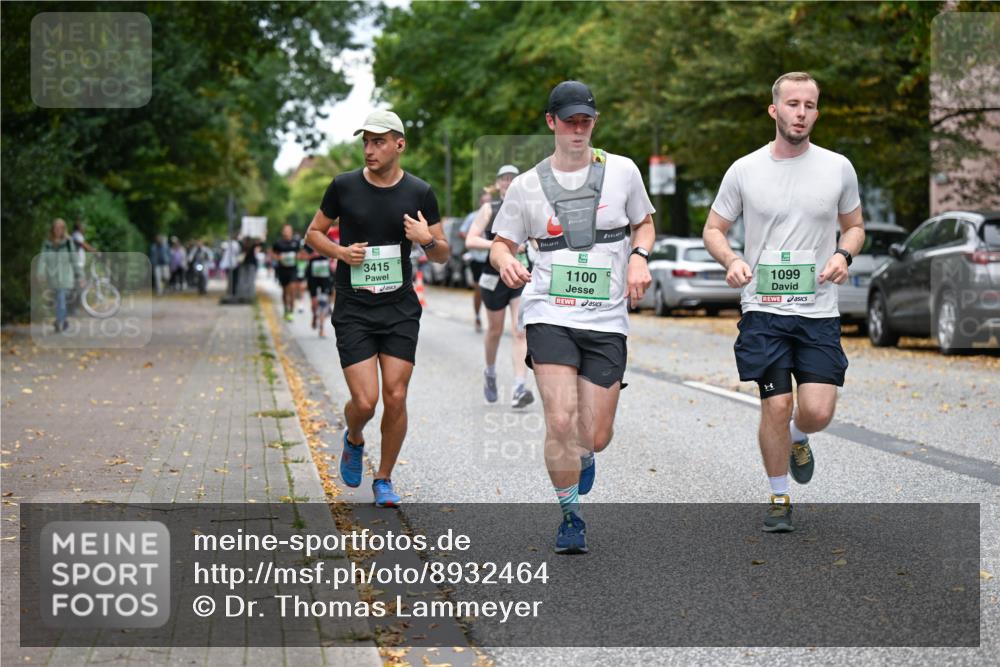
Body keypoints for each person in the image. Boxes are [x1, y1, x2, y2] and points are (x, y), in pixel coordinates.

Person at [490, 81, 655, 554]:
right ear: (551, 123)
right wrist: (505, 261)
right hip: (549, 313)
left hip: (606, 320)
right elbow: (502, 242)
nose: (578, 129)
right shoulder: (525, 185)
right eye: (569, 121)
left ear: (594, 122)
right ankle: (569, 516)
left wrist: (639, 256)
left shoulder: (622, 171)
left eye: (586, 121)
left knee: (594, 436)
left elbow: (644, 221)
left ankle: (583, 455)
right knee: (559, 421)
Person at [702, 72, 865, 533]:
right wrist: (731, 260)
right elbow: (713, 229)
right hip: (764, 308)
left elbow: (854, 226)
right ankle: (778, 495)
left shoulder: (837, 167)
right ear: (774, 110)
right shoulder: (745, 169)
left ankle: (798, 437)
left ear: (817, 111)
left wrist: (842, 252)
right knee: (775, 405)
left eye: (810, 105)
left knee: (816, 412)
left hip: (817, 310)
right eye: (792, 104)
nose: (801, 112)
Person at [304, 110, 449, 508]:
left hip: (399, 306)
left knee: (396, 396)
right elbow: (313, 233)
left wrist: (425, 239)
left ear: (399, 145)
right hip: (354, 306)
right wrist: (339, 251)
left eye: (378, 141)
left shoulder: (420, 192)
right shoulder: (343, 186)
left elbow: (442, 255)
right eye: (365, 141)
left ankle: (383, 477)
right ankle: (354, 438)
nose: (370, 149)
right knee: (365, 402)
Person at [466, 165, 534, 408]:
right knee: (494, 330)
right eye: (503, 179)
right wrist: (498, 246)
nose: (507, 182)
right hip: (493, 275)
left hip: (520, 274)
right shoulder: (489, 209)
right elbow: (470, 239)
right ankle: (490, 372)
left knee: (519, 330)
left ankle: (519, 387)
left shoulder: (527, 207)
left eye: (512, 179)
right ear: (497, 184)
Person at [37, 218, 83, 333]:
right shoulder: (47, 244)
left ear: (64, 229)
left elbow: (74, 259)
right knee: (58, 301)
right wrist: (40, 272)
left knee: (61, 298)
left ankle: (59, 322)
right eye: (56, 227)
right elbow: (42, 259)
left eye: (60, 228)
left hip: (66, 277)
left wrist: (80, 275)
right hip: (53, 278)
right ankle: (64, 320)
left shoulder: (68, 242)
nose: (58, 230)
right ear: (53, 229)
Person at [460, 188, 494, 332]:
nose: (487, 203)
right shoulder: (473, 216)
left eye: (489, 201)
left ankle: (492, 319)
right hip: (476, 258)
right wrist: (474, 238)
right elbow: (462, 232)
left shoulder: (496, 215)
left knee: (490, 288)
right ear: (480, 202)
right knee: (479, 289)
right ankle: (478, 316)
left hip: (491, 258)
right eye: (484, 201)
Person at [270, 224, 301, 321]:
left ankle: (291, 311)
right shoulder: (278, 243)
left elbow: (300, 253)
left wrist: (298, 256)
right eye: (285, 230)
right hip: (282, 269)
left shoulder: (296, 242)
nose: (287, 232)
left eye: (289, 230)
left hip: (293, 269)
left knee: (292, 290)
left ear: (291, 232)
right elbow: (272, 253)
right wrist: (277, 257)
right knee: (284, 291)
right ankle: (285, 309)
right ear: (282, 232)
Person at [304, 243, 335, 336]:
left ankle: (321, 328)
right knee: (314, 302)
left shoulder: (329, 240)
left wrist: (332, 262)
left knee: (323, 302)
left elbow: (335, 254)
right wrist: (312, 255)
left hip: (325, 275)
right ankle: (314, 315)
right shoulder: (310, 240)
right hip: (312, 276)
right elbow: (301, 256)